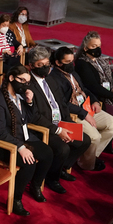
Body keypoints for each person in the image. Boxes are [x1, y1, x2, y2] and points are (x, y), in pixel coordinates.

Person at [0, 65, 54, 215]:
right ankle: (15, 200)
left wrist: (29, 102)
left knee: (47, 153)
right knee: (29, 163)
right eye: (22, 80)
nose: (25, 85)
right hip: (2, 144)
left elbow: (28, 119)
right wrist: (20, 147)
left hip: (22, 137)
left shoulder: (20, 95)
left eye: (27, 82)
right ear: (11, 78)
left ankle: (35, 186)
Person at [27, 46, 90, 194]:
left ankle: (59, 168)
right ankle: (52, 179)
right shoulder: (27, 84)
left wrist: (68, 123)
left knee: (84, 140)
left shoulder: (51, 79)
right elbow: (34, 116)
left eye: (47, 64)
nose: (45, 67)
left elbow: (62, 103)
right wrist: (58, 130)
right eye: (40, 65)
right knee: (63, 148)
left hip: (60, 122)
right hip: (44, 128)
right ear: (31, 65)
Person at [48, 47, 113, 172]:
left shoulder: (73, 73)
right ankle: (87, 164)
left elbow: (84, 89)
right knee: (95, 137)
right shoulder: (53, 78)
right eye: (67, 62)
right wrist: (85, 114)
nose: (71, 64)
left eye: (72, 61)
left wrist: (94, 100)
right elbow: (62, 104)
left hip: (86, 107)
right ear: (58, 62)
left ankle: (91, 156)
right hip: (73, 113)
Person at [75, 31, 113, 155]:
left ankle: (107, 142)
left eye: (99, 46)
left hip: (110, 93)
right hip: (97, 97)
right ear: (86, 48)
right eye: (93, 46)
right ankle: (97, 148)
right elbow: (92, 86)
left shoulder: (101, 60)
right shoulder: (82, 63)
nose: (97, 49)